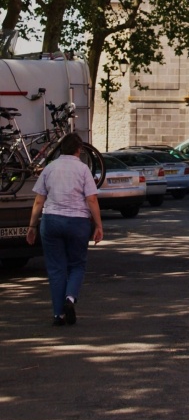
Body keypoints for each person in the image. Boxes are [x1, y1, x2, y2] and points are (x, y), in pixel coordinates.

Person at [26, 132, 103, 326]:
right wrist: (99, 225)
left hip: (51, 221)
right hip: (77, 222)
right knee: (77, 264)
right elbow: (91, 199)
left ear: (61, 149)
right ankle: (70, 298)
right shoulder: (83, 169)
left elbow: (38, 200)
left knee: (56, 269)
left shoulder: (49, 168)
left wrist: (32, 225)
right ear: (79, 150)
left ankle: (58, 315)